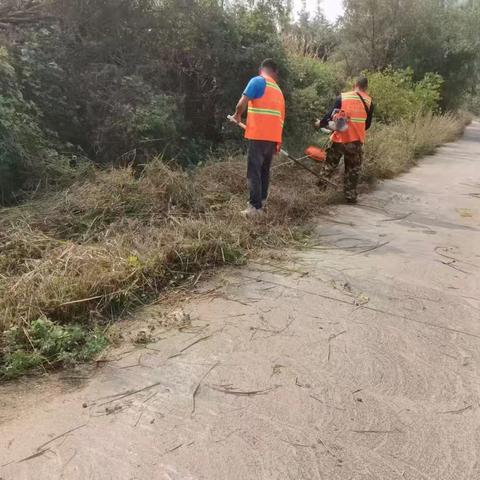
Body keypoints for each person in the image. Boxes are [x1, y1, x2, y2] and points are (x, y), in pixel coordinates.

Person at [231, 58, 286, 217]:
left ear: (261, 70)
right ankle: (261, 203)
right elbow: (280, 119)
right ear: (275, 73)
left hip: (259, 136)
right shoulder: (278, 91)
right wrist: (278, 141)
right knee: (264, 171)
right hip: (272, 138)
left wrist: (237, 115)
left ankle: (254, 208)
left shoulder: (258, 81)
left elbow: (241, 103)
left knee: (254, 171)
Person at [316, 76, 374, 204]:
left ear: (354, 85)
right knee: (353, 170)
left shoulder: (343, 97)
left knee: (329, 166)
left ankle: (319, 192)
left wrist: (320, 123)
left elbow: (329, 114)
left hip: (339, 139)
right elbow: (368, 124)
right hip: (356, 142)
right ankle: (350, 196)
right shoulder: (369, 102)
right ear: (366, 87)